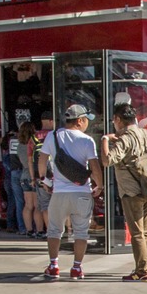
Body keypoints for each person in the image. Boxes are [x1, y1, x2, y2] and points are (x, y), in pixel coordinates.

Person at [103, 103, 147, 281]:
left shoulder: (126, 139)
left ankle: (141, 271)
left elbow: (108, 160)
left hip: (132, 191)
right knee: (145, 232)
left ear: (118, 120)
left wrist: (105, 140)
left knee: (137, 232)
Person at [42, 103, 100, 280]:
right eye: (86, 121)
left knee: (54, 230)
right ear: (80, 121)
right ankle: (77, 268)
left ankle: (54, 266)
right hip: (81, 192)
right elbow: (94, 166)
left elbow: (42, 159)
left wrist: (44, 180)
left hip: (59, 193)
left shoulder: (52, 136)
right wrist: (100, 185)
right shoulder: (86, 140)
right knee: (81, 232)